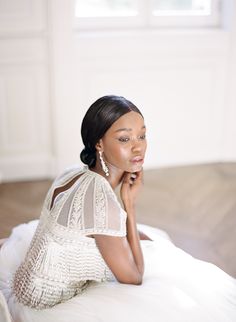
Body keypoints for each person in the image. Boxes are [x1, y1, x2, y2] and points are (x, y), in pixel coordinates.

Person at [0, 95, 236, 322]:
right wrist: (129, 204)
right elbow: (133, 277)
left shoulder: (72, 173)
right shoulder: (102, 203)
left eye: (142, 136)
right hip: (45, 309)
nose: (138, 148)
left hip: (28, 283)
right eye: (124, 139)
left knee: (152, 242)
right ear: (99, 143)